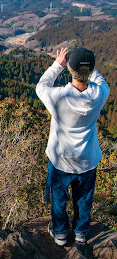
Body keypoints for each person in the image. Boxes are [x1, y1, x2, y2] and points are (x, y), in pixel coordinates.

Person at [36, 47, 110, 246]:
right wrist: (90, 69)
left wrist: (57, 65)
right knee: (83, 200)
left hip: (61, 160)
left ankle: (60, 233)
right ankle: (80, 233)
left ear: (69, 68)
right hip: (87, 159)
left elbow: (42, 85)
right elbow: (101, 81)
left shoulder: (58, 97)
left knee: (59, 199)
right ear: (91, 70)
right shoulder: (100, 95)